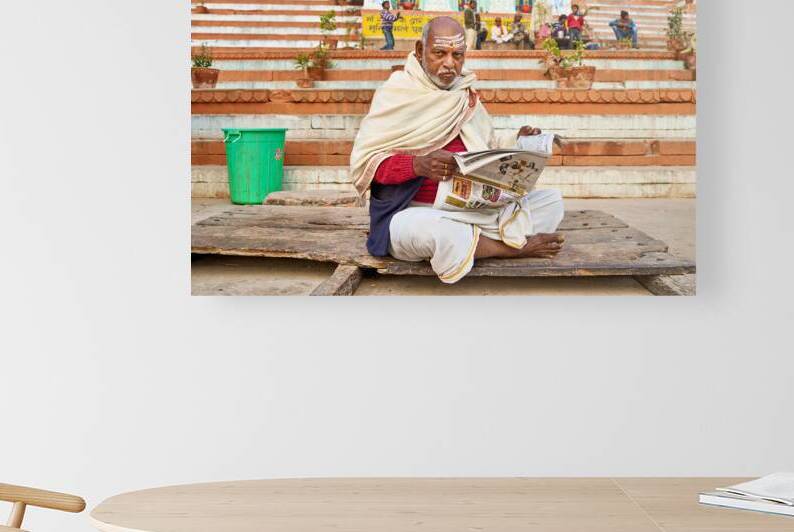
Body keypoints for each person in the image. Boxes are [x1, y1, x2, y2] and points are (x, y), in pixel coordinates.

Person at [349, 17, 565, 284]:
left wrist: (520, 141)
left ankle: (474, 243)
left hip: (478, 210)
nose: (450, 63)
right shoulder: (396, 92)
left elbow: (489, 147)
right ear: (419, 50)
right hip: (417, 213)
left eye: (457, 55)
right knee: (437, 232)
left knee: (552, 202)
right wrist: (418, 165)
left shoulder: (465, 95)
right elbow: (367, 165)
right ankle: (509, 248)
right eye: (439, 53)